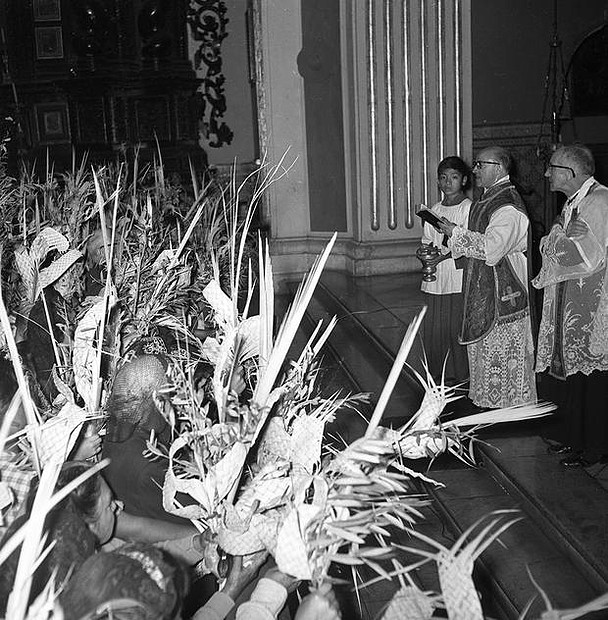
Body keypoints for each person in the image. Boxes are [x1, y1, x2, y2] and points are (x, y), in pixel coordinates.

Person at [437, 146, 537, 409]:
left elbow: (492, 248)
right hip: (485, 284)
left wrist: (456, 233)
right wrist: (453, 237)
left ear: (499, 168)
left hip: (506, 289)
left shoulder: (508, 206)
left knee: (506, 353)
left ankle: (512, 408)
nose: (475, 170)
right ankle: (492, 404)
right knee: (489, 351)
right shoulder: (488, 198)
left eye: (481, 165)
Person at [533, 143, 608, 467]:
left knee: (593, 379)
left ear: (571, 173)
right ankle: (574, 440)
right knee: (575, 377)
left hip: (593, 307)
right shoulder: (574, 203)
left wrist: (559, 238)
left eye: (553, 167)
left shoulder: (600, 201)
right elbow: (553, 243)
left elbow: (584, 257)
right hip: (573, 303)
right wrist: (560, 235)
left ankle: (595, 447)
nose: (547, 173)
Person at [417, 156, 471, 384]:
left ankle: (460, 375)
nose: (448, 182)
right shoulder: (435, 210)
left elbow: (466, 242)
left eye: (454, 177)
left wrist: (440, 256)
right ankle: (437, 374)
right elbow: (427, 240)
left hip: (455, 275)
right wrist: (424, 252)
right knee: (434, 327)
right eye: (443, 178)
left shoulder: (468, 209)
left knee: (454, 325)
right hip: (435, 275)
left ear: (464, 180)